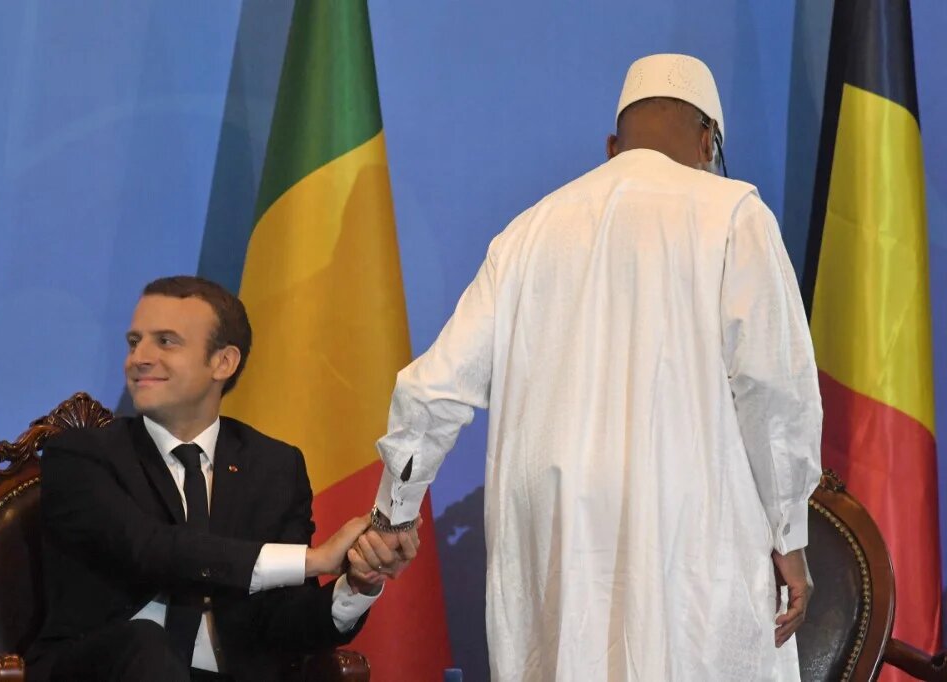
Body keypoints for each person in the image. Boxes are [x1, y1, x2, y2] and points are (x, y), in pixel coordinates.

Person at [350, 54, 822, 681]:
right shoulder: (734, 213)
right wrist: (789, 537)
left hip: (556, 537)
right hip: (690, 527)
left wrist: (393, 515)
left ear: (611, 147)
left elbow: (432, 391)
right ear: (709, 141)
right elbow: (775, 394)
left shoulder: (525, 234)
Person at [25, 275, 409, 682]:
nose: (139, 358)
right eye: (135, 341)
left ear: (223, 362)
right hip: (107, 671)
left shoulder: (275, 466)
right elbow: (150, 548)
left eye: (166, 341)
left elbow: (285, 621)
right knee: (146, 641)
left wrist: (356, 584)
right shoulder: (81, 456)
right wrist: (314, 559)